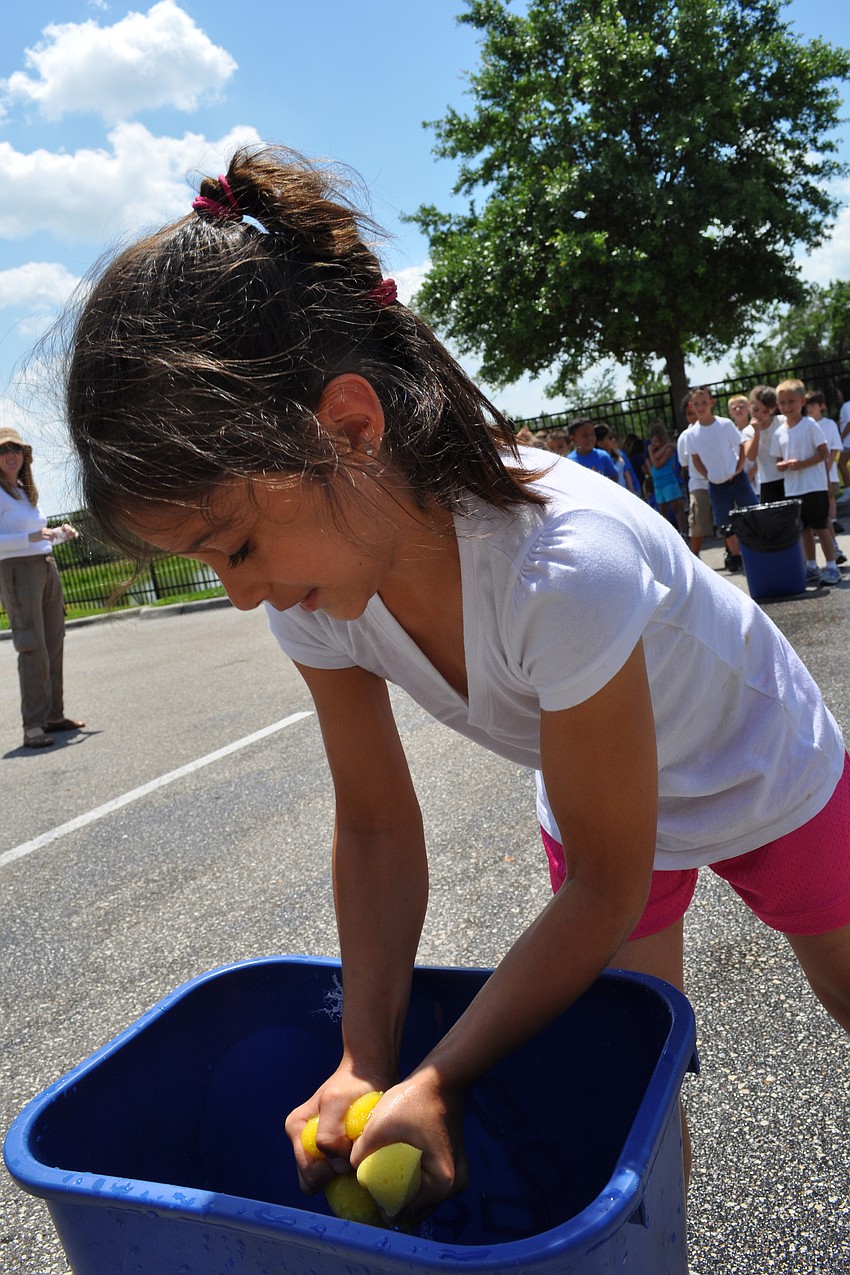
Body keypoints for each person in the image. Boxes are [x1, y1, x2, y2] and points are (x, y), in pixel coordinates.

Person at [63, 145, 850, 1225]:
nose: (239, 596)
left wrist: (442, 1079)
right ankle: (651, 1244)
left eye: (233, 546)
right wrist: (363, 1062)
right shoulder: (310, 591)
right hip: (596, 796)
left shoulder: (559, 566)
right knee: (631, 1074)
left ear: (347, 427)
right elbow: (378, 830)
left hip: (758, 764)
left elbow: (601, 887)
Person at [0, 426, 84, 748]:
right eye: (4, 450)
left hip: (45, 567)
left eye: (16, 450)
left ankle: (53, 715)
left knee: (53, 641)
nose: (11, 456)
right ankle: (32, 725)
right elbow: (25, 540)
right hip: (17, 572)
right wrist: (30, 538)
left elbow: (40, 539)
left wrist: (60, 533)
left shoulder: (23, 491)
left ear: (24, 456)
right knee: (32, 645)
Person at [771, 380, 840, 586]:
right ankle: (811, 565)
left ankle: (831, 566)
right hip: (793, 488)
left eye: (791, 401)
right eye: (782, 402)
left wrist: (801, 464)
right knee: (804, 529)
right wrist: (783, 465)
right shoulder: (779, 431)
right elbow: (777, 460)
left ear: (802, 401)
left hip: (813, 486)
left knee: (821, 526)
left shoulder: (810, 425)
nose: (787, 407)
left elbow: (824, 452)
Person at [687, 386, 757, 571]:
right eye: (696, 404)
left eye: (704, 402)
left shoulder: (725, 424)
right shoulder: (692, 434)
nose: (700, 407)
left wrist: (739, 466)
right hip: (716, 484)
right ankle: (735, 555)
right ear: (691, 405)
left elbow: (741, 444)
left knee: (750, 512)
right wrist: (707, 475)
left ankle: (757, 548)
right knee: (725, 522)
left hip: (737, 479)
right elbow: (695, 458)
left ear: (712, 402)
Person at [805, 390, 846, 566]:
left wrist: (827, 467)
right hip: (811, 478)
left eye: (813, 405)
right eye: (807, 405)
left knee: (826, 513)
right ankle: (817, 560)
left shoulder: (828, 424)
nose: (810, 409)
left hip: (825, 474)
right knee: (817, 521)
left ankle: (834, 549)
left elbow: (833, 448)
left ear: (821, 406)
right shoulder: (804, 424)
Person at [676, 395, 713, 557]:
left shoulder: (715, 427)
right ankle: (694, 556)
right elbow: (684, 463)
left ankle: (732, 553)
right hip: (699, 482)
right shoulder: (685, 436)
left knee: (725, 519)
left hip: (720, 480)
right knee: (698, 519)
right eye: (690, 413)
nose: (695, 415)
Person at [745, 385, 785, 505]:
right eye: (756, 410)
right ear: (750, 406)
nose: (759, 415)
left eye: (765, 411)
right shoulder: (748, 431)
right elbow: (751, 456)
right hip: (767, 481)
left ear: (772, 409)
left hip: (788, 478)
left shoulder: (782, 422)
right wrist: (756, 432)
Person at [646, 421, 688, 535]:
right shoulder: (664, 448)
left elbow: (657, 463)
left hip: (668, 482)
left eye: (657, 441)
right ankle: (666, 534)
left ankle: (683, 531)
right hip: (658, 484)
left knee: (676, 508)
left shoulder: (669, 449)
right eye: (653, 442)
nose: (654, 444)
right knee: (663, 510)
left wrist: (651, 451)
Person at [594, 423, 639, 494]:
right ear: (600, 444)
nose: (614, 439)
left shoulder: (618, 453)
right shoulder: (598, 460)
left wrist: (631, 490)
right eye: (610, 438)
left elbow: (626, 473)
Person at [837, 375, 850, 493]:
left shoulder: (847, 405)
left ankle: (848, 490)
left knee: (841, 464)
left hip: (848, 442)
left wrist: (841, 436)